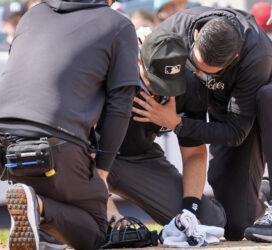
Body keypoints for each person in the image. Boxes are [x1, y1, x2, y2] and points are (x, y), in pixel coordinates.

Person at [132, 6, 272, 242]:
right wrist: (141, 36)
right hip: (233, 115)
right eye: (195, 65)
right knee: (236, 225)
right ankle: (263, 191)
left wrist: (177, 124)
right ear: (196, 36)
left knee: (270, 96)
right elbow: (146, 49)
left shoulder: (255, 56)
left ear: (235, 58)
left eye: (207, 72)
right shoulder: (177, 28)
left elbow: (235, 133)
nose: (197, 74)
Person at [0, 0, 139, 249]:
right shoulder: (118, 24)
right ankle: (39, 208)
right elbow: (120, 106)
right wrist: (101, 170)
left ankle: (35, 211)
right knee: (97, 229)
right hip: (51, 142)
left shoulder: (33, 14)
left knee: (41, 186)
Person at [96, 29, 226, 229]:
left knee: (209, 221)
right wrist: (105, 204)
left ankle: (262, 194)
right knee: (94, 226)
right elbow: (77, 143)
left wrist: (189, 212)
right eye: (155, 82)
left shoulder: (191, 85)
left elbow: (194, 153)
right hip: (89, 159)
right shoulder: (109, 74)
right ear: (139, 61)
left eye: (172, 83)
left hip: (138, 159)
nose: (163, 90)